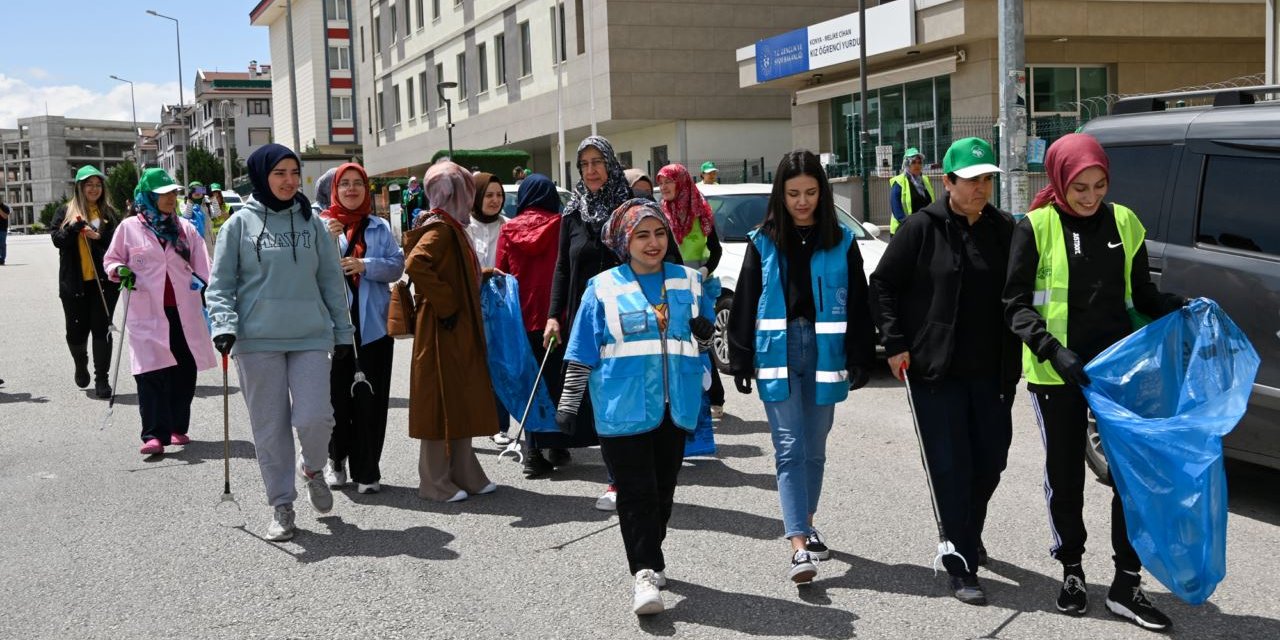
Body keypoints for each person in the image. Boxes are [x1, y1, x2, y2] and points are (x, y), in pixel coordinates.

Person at [1005, 132, 1185, 632]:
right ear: (1060, 180)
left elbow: (1142, 295)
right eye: (1080, 186)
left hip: (1119, 372)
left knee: (1129, 479)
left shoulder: (1125, 222)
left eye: (1099, 185)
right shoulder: (1035, 226)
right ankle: (1072, 572)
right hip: (1056, 373)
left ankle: (1127, 584)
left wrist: (1178, 306)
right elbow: (1014, 306)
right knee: (1066, 477)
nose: (1090, 197)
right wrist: (1052, 350)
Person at [869, 137, 1019, 606]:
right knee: (951, 466)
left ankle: (967, 531)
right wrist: (894, 344)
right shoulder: (921, 227)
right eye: (972, 180)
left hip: (993, 370)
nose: (981, 189)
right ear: (947, 181)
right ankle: (960, 559)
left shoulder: (1004, 229)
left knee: (990, 460)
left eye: (987, 180)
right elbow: (884, 285)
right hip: (936, 370)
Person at [555, 200, 716, 616]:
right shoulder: (603, 287)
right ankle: (643, 573)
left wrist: (704, 336)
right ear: (625, 241)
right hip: (620, 408)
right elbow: (581, 351)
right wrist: (568, 406)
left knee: (663, 492)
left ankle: (651, 552)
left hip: (674, 407)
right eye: (642, 235)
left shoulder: (689, 283)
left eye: (659, 233)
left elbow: (703, 343)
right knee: (635, 493)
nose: (653, 243)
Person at [726, 149, 876, 584]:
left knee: (815, 448)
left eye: (811, 192)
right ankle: (797, 547)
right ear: (781, 194)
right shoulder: (762, 241)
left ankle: (807, 524)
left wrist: (861, 355)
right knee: (789, 446)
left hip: (826, 353)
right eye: (793, 193)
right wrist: (741, 357)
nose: (802, 201)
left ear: (822, 194)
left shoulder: (843, 243)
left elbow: (861, 305)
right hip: (778, 350)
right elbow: (747, 299)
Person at [206, 143, 355, 542]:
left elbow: (330, 283)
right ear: (261, 176)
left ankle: (313, 468)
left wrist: (343, 332)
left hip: (309, 333)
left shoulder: (313, 224)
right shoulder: (238, 225)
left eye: (294, 172)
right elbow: (219, 285)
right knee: (270, 428)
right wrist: (223, 324)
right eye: (279, 173)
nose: (289, 181)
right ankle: (282, 504)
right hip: (256, 340)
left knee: (315, 418)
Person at [545, 135, 681, 510]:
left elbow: (668, 257)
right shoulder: (572, 212)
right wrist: (554, 316)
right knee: (603, 399)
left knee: (631, 394)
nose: (590, 170)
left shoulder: (634, 209)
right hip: (587, 318)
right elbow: (562, 267)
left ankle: (628, 477)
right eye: (584, 164)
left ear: (610, 163)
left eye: (597, 162)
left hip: (633, 319)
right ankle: (620, 477)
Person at [103, 168, 218, 455]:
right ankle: (154, 434)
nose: (170, 198)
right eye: (163, 194)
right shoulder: (129, 228)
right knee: (150, 371)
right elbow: (112, 259)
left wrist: (202, 282)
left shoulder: (185, 229)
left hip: (183, 311)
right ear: (148, 197)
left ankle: (178, 427)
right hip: (147, 311)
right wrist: (119, 270)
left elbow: (204, 264)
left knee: (184, 369)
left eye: (173, 193)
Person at [404, 160, 499, 503]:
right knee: (440, 399)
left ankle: (462, 470)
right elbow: (417, 263)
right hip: (443, 326)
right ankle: (434, 481)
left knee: (459, 393)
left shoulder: (448, 224)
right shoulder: (442, 227)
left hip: (452, 323)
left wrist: (482, 274)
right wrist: (448, 304)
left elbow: (447, 267)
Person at [319, 162, 404, 494]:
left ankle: (368, 471)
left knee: (371, 402)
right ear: (334, 190)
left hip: (374, 330)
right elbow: (306, 270)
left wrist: (364, 265)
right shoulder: (320, 227)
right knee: (335, 401)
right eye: (345, 184)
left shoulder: (378, 226)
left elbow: (397, 265)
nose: (351, 189)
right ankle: (336, 460)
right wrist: (326, 243)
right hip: (333, 331)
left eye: (358, 183)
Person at [494, 174, 569, 477]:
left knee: (530, 383)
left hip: (521, 318)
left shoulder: (508, 229)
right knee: (556, 383)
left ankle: (533, 450)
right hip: (557, 316)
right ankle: (558, 444)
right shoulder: (561, 225)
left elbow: (500, 274)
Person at [656, 163, 726, 418]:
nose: (663, 187)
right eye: (660, 183)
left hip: (700, 286)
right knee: (678, 342)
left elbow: (716, 250)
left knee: (702, 341)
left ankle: (715, 397)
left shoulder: (700, 212)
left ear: (682, 182)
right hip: (671, 288)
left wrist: (705, 270)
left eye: (668, 182)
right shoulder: (659, 215)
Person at [50, 165, 120, 398]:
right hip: (74, 286)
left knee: (102, 331)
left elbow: (117, 245)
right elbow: (58, 241)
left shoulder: (109, 214)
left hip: (103, 285)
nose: (94, 189)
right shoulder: (64, 212)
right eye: (89, 185)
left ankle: (102, 379)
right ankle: (80, 363)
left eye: (98, 185)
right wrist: (72, 228)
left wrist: (98, 237)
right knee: (76, 333)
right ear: (80, 187)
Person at [467, 171, 513, 445]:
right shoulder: (464, 227)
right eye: (489, 195)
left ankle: (499, 425)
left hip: (500, 303)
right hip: (470, 303)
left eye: (499, 195)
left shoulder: (509, 225)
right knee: (472, 364)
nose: (495, 200)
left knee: (499, 363)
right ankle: (471, 421)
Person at [888, 147, 935, 237]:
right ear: (907, 164)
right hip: (903, 231)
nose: (917, 165)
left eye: (919, 162)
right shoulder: (899, 182)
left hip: (923, 229)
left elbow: (930, 203)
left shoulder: (925, 180)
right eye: (913, 162)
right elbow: (896, 210)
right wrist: (909, 225)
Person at [181, 181, 214, 249]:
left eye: (199, 189)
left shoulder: (207, 204)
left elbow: (216, 214)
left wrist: (212, 197)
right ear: (190, 192)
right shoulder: (184, 204)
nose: (197, 192)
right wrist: (190, 201)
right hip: (194, 242)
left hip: (209, 243)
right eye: (194, 190)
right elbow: (187, 216)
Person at [0, 201, 9, 265]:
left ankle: (2, 259)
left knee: (2, 245)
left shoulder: (5, 207)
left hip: (2, 230)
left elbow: (5, 216)